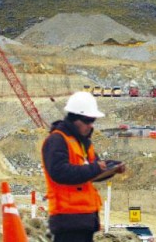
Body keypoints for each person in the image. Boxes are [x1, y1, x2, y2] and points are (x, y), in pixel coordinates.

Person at [41, 91, 125, 242]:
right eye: (88, 120)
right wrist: (96, 168)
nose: (91, 125)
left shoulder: (83, 143)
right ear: (74, 119)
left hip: (84, 219)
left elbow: (92, 172)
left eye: (92, 121)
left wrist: (110, 169)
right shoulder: (57, 140)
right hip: (67, 220)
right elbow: (59, 172)